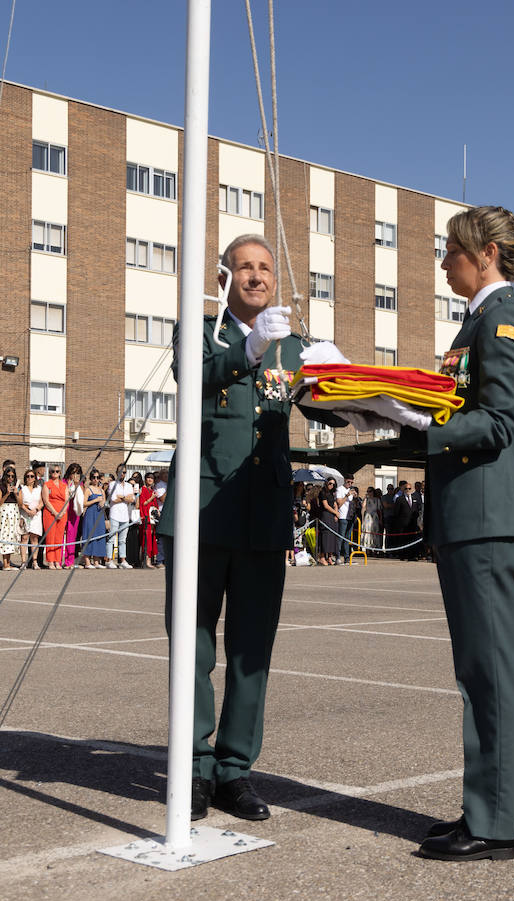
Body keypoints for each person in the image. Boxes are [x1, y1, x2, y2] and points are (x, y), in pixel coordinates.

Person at [156, 232, 344, 823]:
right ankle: (192, 766)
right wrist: (250, 351)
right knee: (193, 645)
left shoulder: (292, 348)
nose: (257, 277)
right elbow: (198, 376)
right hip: (203, 513)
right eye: (245, 268)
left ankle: (235, 771)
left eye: (264, 268)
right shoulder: (203, 332)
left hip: (262, 515)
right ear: (224, 277)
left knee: (251, 653)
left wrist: (341, 380)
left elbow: (326, 409)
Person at [385, 206, 514, 861]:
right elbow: (462, 406)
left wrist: (425, 429)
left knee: (492, 672)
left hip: (484, 517)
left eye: (451, 250)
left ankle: (497, 824)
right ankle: (488, 807)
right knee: (477, 672)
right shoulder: (478, 320)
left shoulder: (502, 319)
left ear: (485, 255)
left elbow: (500, 423)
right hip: (466, 515)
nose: (443, 261)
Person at [0, 465, 22, 569]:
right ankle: (5, 563)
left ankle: (8, 562)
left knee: (11, 536)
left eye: (12, 476)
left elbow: (21, 504)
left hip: (14, 512)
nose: (10, 478)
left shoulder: (17, 487)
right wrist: (7, 493)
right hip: (4, 512)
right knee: (4, 535)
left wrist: (16, 494)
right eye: (8, 476)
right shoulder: (1, 486)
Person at [106, 466, 135, 569]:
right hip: (115, 514)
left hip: (125, 515)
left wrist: (121, 497)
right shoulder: (112, 484)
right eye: (120, 472)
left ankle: (122, 560)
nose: (122, 474)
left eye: (124, 472)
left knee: (123, 540)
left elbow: (132, 499)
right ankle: (109, 560)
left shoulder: (128, 485)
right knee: (111, 538)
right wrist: (125, 497)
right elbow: (113, 499)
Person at [79, 468, 109, 568]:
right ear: (91, 479)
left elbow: (104, 503)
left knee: (99, 536)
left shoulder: (101, 490)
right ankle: (87, 562)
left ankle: (96, 561)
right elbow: (84, 503)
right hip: (90, 515)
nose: (96, 480)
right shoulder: (88, 489)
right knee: (89, 536)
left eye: (97, 477)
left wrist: (102, 503)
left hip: (99, 515)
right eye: (94, 477)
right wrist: (95, 500)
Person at [18, 468, 44, 568]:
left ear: (35, 478)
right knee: (24, 537)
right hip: (25, 514)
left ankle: (34, 561)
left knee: (34, 538)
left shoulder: (39, 488)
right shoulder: (22, 488)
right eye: (27, 476)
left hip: (36, 515)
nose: (29, 478)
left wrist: (36, 510)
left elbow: (42, 502)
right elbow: (20, 502)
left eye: (32, 476)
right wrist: (27, 511)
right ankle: (24, 561)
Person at [63, 464, 85, 568]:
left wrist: (77, 485)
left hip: (74, 512)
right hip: (64, 510)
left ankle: (69, 562)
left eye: (77, 473)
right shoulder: (63, 482)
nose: (75, 475)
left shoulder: (80, 484)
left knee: (71, 537)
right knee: (60, 537)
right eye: (73, 472)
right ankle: (57, 561)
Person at [317, 477, 341, 565]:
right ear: (326, 483)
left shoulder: (331, 493)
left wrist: (336, 513)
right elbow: (326, 506)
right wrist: (335, 512)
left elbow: (334, 504)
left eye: (333, 484)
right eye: (330, 483)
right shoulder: (322, 492)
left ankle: (329, 557)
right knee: (325, 536)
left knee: (333, 536)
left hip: (332, 515)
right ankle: (322, 557)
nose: (331, 485)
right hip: (325, 515)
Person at [139, 472, 161, 569]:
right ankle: (146, 561)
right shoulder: (143, 490)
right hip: (146, 517)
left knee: (152, 539)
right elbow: (143, 503)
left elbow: (155, 504)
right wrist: (152, 497)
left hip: (152, 518)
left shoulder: (152, 490)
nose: (150, 480)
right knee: (147, 539)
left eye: (151, 478)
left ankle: (150, 560)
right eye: (148, 478)